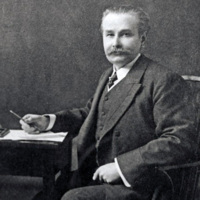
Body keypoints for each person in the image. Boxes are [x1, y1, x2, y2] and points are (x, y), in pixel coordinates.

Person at [20, 6, 198, 200]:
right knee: (42, 196)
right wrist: (49, 121)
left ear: (143, 40)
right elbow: (91, 115)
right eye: (109, 35)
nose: (116, 43)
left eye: (126, 34)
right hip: (93, 174)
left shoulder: (163, 80)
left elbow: (181, 140)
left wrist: (122, 167)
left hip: (140, 184)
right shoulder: (109, 75)